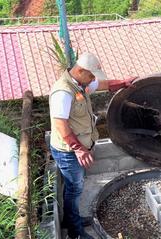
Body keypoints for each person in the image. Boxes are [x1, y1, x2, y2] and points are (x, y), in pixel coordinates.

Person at [49, 52, 136, 239]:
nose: (93, 79)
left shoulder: (81, 83)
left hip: (79, 148)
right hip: (68, 151)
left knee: (75, 186)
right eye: (91, 75)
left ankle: (73, 220)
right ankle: (76, 232)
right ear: (80, 70)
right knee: (75, 187)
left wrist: (123, 83)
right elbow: (59, 124)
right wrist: (79, 149)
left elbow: (103, 85)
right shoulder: (63, 91)